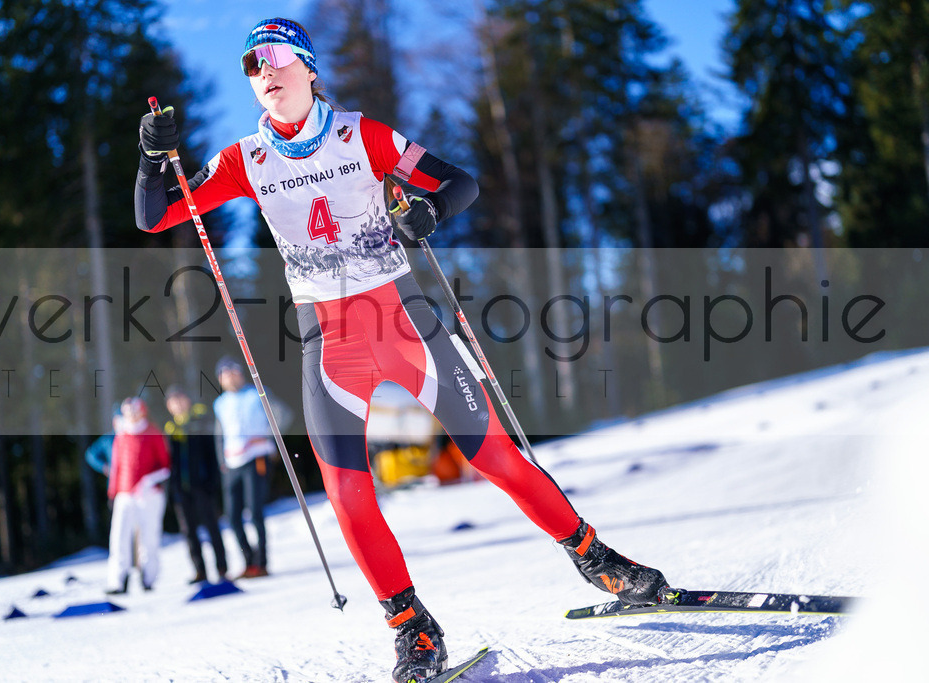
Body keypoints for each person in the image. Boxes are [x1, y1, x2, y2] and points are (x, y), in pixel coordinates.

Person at [134, 18, 668, 682]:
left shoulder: (362, 134)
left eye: (272, 57)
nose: (261, 71)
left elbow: (458, 183)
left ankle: (601, 561)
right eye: (249, 65)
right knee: (349, 495)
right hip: (329, 344)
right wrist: (152, 158)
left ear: (306, 66)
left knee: (496, 454)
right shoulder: (247, 159)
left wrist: (428, 213)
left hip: (405, 323)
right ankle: (412, 628)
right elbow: (155, 215)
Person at [211, 356, 288, 579]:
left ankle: (261, 563)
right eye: (225, 374)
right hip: (232, 463)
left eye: (233, 372)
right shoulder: (220, 403)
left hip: (256, 458)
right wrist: (221, 462)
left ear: (241, 374)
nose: (230, 377)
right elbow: (219, 434)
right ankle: (248, 562)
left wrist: (265, 436)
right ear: (220, 379)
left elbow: (282, 414)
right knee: (232, 517)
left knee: (255, 512)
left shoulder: (257, 393)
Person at [164, 385, 229, 584]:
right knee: (189, 531)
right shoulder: (170, 429)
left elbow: (211, 452)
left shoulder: (200, 422)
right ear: (169, 406)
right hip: (181, 489)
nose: (177, 404)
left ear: (187, 400)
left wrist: (211, 480)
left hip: (202, 484)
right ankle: (200, 570)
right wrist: (172, 487)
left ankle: (221, 568)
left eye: (180, 399)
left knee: (211, 526)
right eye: (173, 402)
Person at [106, 397, 170, 594]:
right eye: (128, 412)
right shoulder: (121, 435)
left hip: (149, 495)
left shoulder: (152, 433)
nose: (132, 415)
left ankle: (148, 577)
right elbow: (117, 466)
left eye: (135, 411)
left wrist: (148, 482)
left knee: (149, 537)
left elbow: (165, 466)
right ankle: (118, 579)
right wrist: (113, 491)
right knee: (119, 537)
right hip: (125, 494)